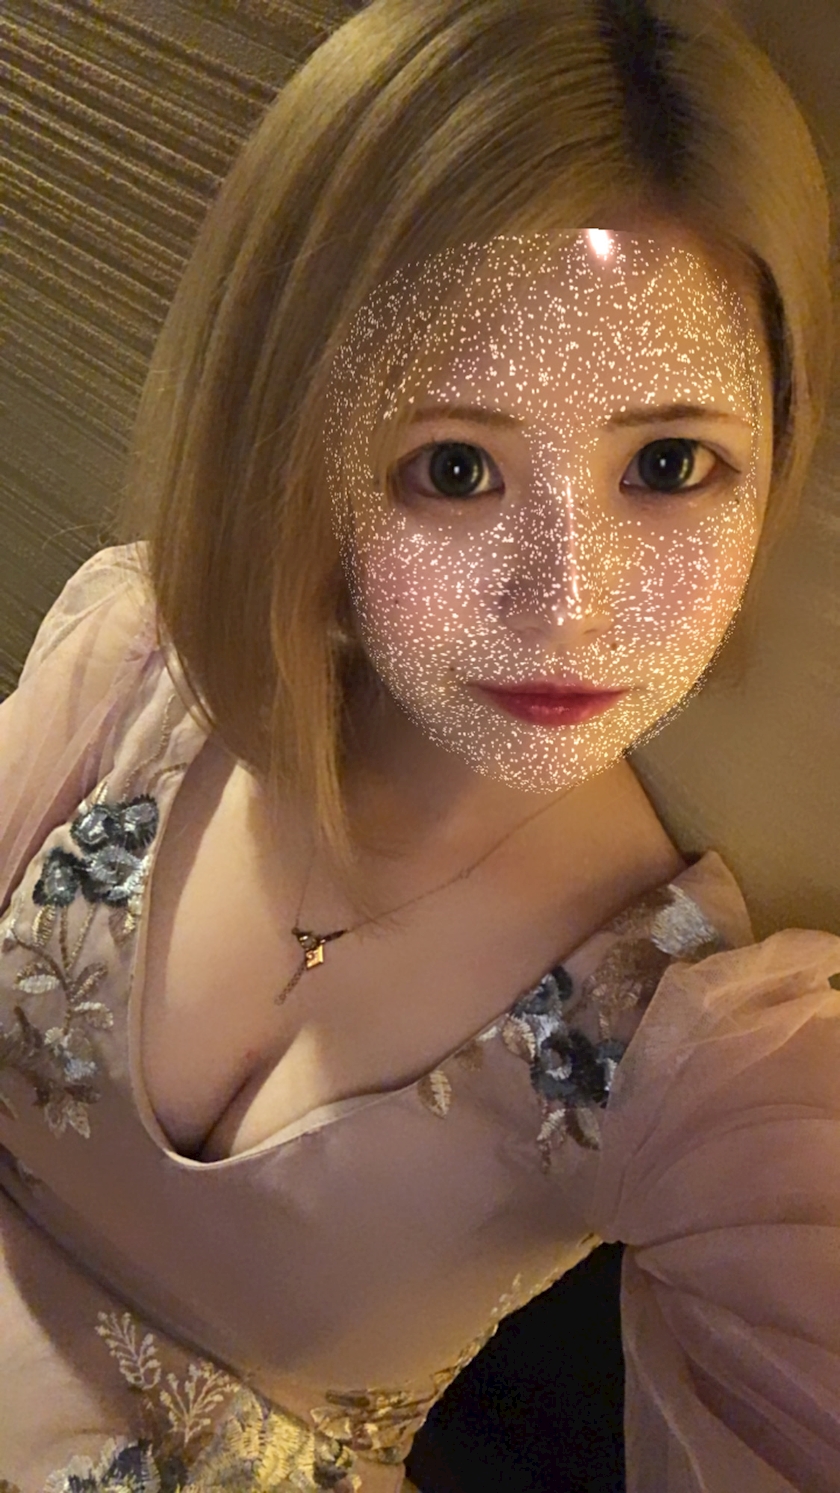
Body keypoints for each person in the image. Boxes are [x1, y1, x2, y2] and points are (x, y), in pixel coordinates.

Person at [1, 2, 838, 1490]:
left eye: (668, 464)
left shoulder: (704, 1064)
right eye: (455, 467)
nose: (567, 606)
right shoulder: (135, 673)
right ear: (302, 445)